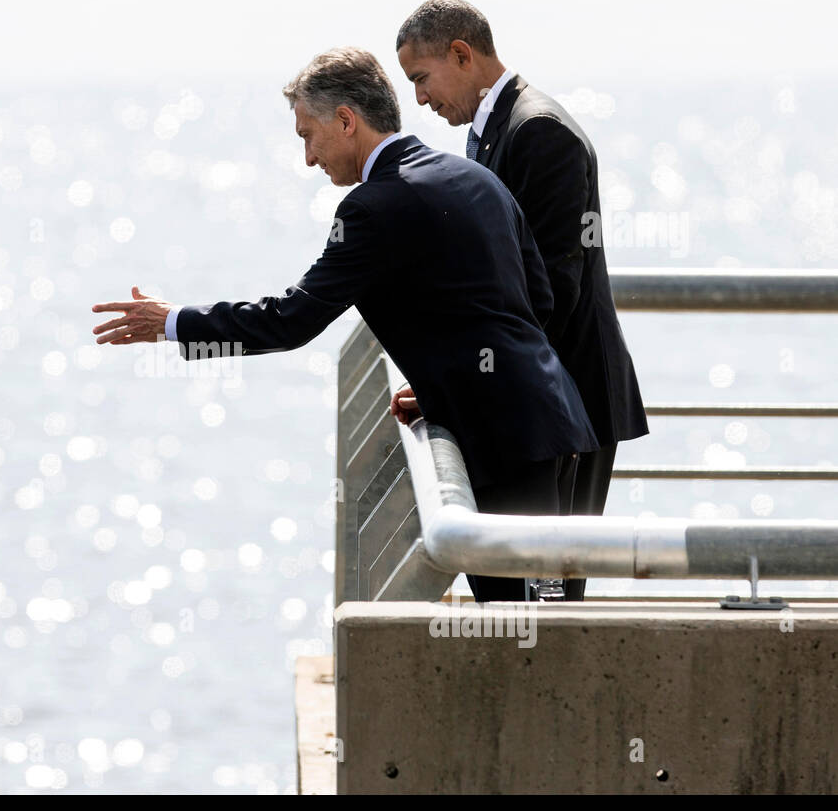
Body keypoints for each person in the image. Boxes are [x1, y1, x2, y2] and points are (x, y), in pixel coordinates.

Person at [90, 47, 598, 602]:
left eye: (308, 136)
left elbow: (292, 319)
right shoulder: (472, 176)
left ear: (347, 120)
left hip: (505, 443)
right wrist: (448, 382)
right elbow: (537, 300)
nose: (309, 158)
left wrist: (174, 323)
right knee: (541, 633)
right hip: (553, 422)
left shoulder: (372, 208)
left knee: (528, 641)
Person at [395, 0, 649, 600]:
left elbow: (548, 295)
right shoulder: (493, 132)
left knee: (551, 600)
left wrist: (457, 380)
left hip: (567, 403)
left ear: (462, 53)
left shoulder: (538, 132)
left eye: (421, 79)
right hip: (539, 400)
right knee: (528, 595)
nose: (421, 100)